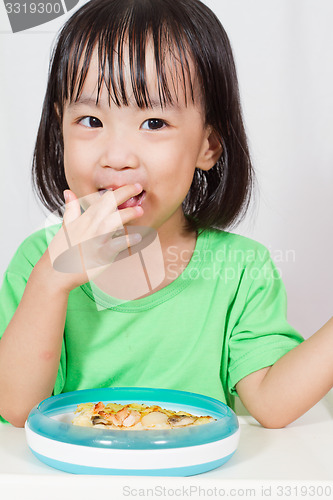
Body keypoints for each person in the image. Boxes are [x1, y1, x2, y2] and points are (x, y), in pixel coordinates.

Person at [0, 0, 332, 429]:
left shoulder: (241, 270)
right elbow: (16, 406)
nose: (116, 157)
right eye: (89, 120)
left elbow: (272, 403)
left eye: (154, 122)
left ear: (207, 146)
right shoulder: (37, 262)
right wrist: (52, 281)